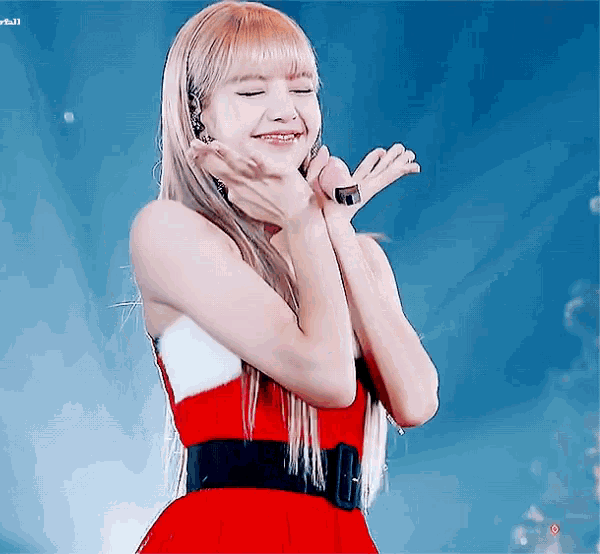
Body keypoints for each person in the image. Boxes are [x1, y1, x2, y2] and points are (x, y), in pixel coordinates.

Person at [130, 1, 439, 552]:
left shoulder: (349, 249)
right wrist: (302, 219)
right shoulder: (169, 232)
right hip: (226, 533)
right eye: (251, 92)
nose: (285, 111)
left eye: (302, 89)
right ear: (198, 113)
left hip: (340, 535)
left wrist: (333, 227)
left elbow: (415, 403)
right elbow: (328, 379)